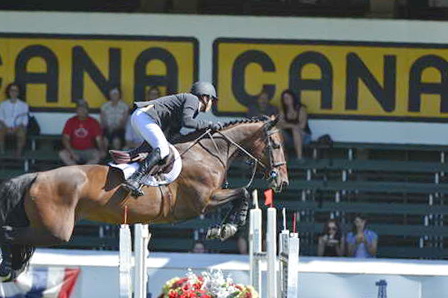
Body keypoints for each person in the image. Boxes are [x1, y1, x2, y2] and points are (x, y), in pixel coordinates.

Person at [121, 81, 221, 197]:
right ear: (205, 97)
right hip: (145, 117)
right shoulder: (192, 99)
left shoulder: (189, 107)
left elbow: (174, 135)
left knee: (164, 147)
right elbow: (187, 122)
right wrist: (208, 124)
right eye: (212, 100)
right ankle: (135, 179)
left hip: (143, 118)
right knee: (163, 149)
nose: (212, 103)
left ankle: (140, 176)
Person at [59, 100, 106, 165]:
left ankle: (85, 171)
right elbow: (65, 139)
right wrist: (72, 153)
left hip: (89, 150)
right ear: (76, 110)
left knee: (98, 155)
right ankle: (76, 170)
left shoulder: (93, 122)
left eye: (84, 109)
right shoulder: (71, 121)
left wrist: (102, 150)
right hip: (74, 150)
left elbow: (98, 139)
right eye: (80, 109)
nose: (82, 111)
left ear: (88, 110)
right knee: (63, 154)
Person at [278, 89, 312, 160]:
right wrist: (292, 125)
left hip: (304, 136)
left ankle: (299, 157)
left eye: (288, 97)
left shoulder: (301, 109)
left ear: (293, 98)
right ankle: (283, 156)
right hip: (290, 137)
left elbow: (302, 126)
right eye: (284, 98)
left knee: (295, 130)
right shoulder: (283, 110)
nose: (286, 100)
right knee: (278, 131)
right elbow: (280, 124)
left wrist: (289, 125)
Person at [0, 83, 29, 157]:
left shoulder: (24, 105)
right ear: (8, 92)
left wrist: (16, 128)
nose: (13, 92)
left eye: (15, 90)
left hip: (18, 127)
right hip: (5, 127)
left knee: (22, 134)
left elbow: (24, 120)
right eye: (11, 90)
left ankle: (18, 154)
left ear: (18, 92)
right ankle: (2, 153)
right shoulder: (3, 104)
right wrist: (7, 127)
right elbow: (1, 118)